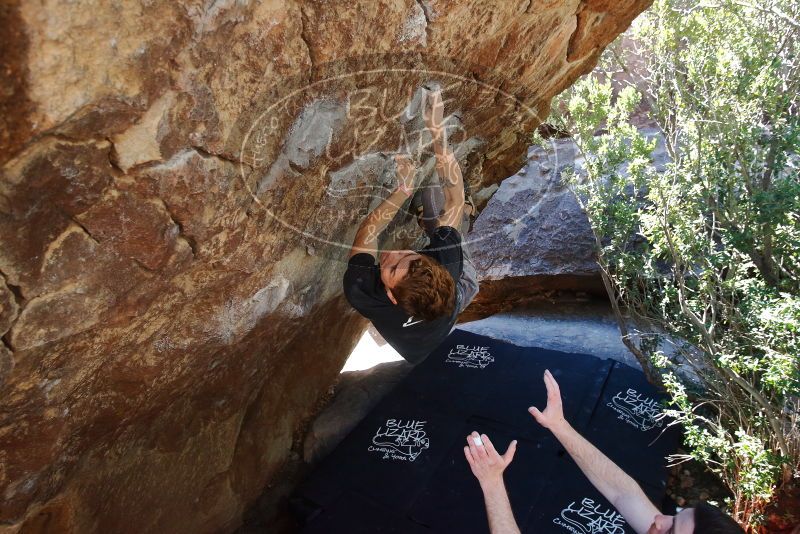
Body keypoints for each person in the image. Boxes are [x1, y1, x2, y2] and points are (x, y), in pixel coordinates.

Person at [463, 370, 745, 534]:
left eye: (671, 530)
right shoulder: (659, 526)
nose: (659, 519)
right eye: (677, 513)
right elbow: (625, 493)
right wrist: (560, 426)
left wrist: (491, 482)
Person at [342, 89, 479, 364]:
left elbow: (368, 231)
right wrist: (437, 129)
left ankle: (432, 223)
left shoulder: (363, 291)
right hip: (458, 294)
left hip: (418, 351)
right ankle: (435, 228)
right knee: (442, 208)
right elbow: (455, 196)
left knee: (431, 203)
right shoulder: (448, 266)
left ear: (391, 297)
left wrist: (404, 189)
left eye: (392, 268)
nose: (393, 255)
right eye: (409, 255)